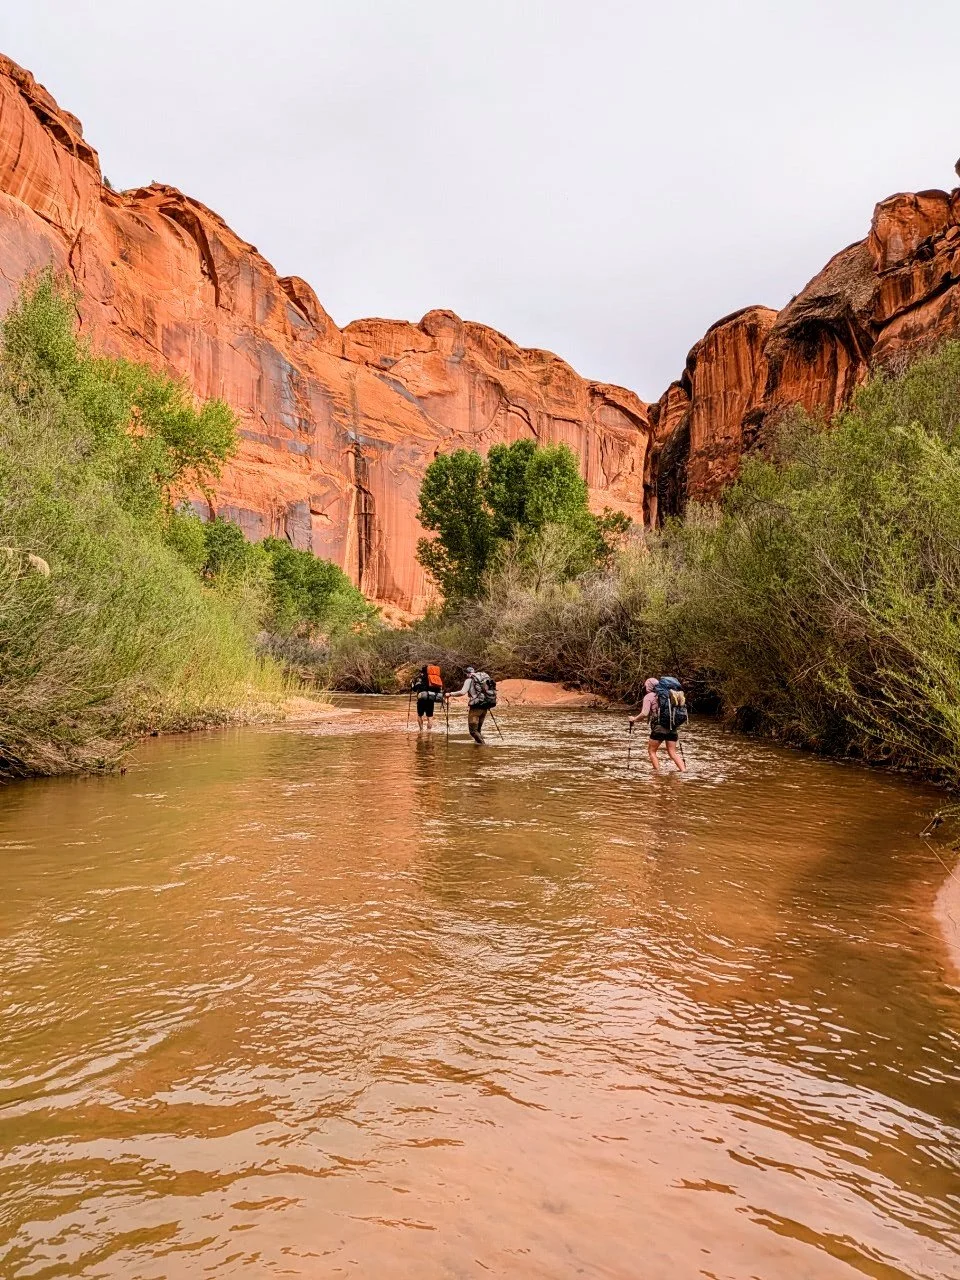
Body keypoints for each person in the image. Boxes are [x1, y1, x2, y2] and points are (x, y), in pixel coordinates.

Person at [629, 677, 686, 773]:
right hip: (672, 727)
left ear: (648, 686)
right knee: (673, 753)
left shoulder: (649, 696)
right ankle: (684, 771)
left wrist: (634, 719)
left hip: (659, 728)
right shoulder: (669, 695)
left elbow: (644, 713)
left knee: (652, 751)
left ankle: (657, 773)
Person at [447, 665, 494, 744]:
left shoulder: (469, 680)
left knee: (473, 731)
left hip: (476, 707)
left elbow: (462, 692)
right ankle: (478, 752)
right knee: (478, 730)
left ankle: (483, 746)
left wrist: (450, 694)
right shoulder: (483, 679)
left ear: (467, 674)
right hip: (485, 706)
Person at [410, 662, 444, 732]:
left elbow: (414, 689)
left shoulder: (421, 679)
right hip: (431, 699)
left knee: (420, 715)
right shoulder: (434, 679)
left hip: (422, 699)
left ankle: (421, 730)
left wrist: (412, 684)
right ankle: (429, 731)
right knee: (430, 716)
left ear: (422, 672)